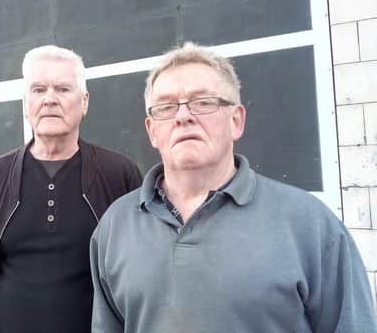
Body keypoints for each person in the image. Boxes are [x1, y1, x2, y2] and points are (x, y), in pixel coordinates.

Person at [90, 42, 377, 333]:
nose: (183, 116)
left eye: (203, 102)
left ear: (236, 121)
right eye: (166, 106)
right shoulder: (115, 226)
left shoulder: (310, 225)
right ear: (152, 131)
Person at [0, 45, 142, 333]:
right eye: (38, 90)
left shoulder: (119, 176)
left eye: (63, 89)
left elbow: (142, 278)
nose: (50, 99)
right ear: (26, 104)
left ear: (84, 101)